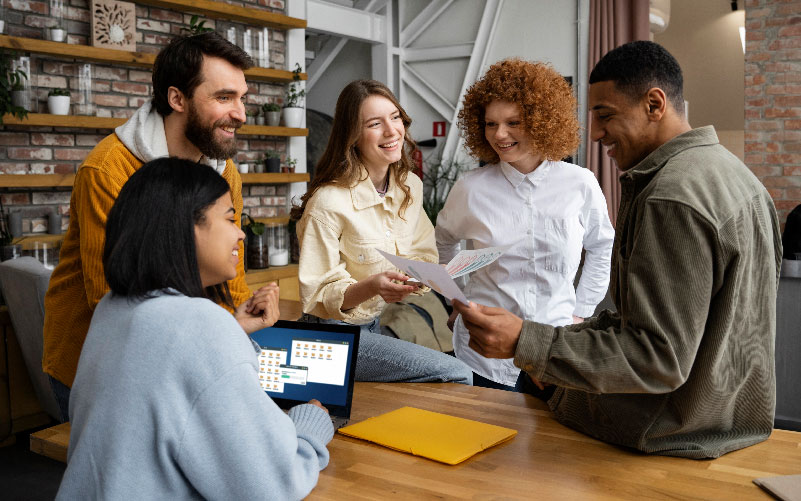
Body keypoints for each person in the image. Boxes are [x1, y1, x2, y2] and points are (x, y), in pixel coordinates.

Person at [454, 41, 782, 458]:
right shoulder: (737, 177)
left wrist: (529, 342)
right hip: (727, 425)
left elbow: (657, 357)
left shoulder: (670, 196)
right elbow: (674, 324)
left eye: (606, 116)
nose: (595, 133)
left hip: (667, 436)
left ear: (654, 104)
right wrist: (555, 338)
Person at [56, 158, 331, 499]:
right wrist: (309, 426)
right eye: (230, 218)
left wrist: (231, 329)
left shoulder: (114, 307)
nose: (241, 232)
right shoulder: (198, 324)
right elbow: (270, 486)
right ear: (185, 228)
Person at [43, 32, 274, 422]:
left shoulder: (224, 172)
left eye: (242, 98)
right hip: (97, 363)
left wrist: (242, 327)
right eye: (224, 98)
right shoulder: (108, 169)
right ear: (177, 99)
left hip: (182, 354)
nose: (241, 114)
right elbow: (113, 300)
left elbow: (228, 278)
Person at [436, 59, 614, 392]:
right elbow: (444, 242)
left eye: (513, 122)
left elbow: (602, 245)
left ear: (543, 121)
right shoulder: (471, 188)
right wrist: (456, 300)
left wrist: (582, 311)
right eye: (490, 124)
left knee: (553, 442)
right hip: (484, 356)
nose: (499, 135)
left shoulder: (580, 183)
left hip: (557, 347)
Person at [291, 79, 471, 384]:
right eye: (375, 123)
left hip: (372, 325)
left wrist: (423, 276)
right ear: (353, 136)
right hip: (330, 338)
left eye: (395, 117)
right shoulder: (328, 202)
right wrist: (374, 285)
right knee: (456, 373)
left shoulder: (409, 186)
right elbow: (318, 295)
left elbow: (421, 253)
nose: (392, 131)